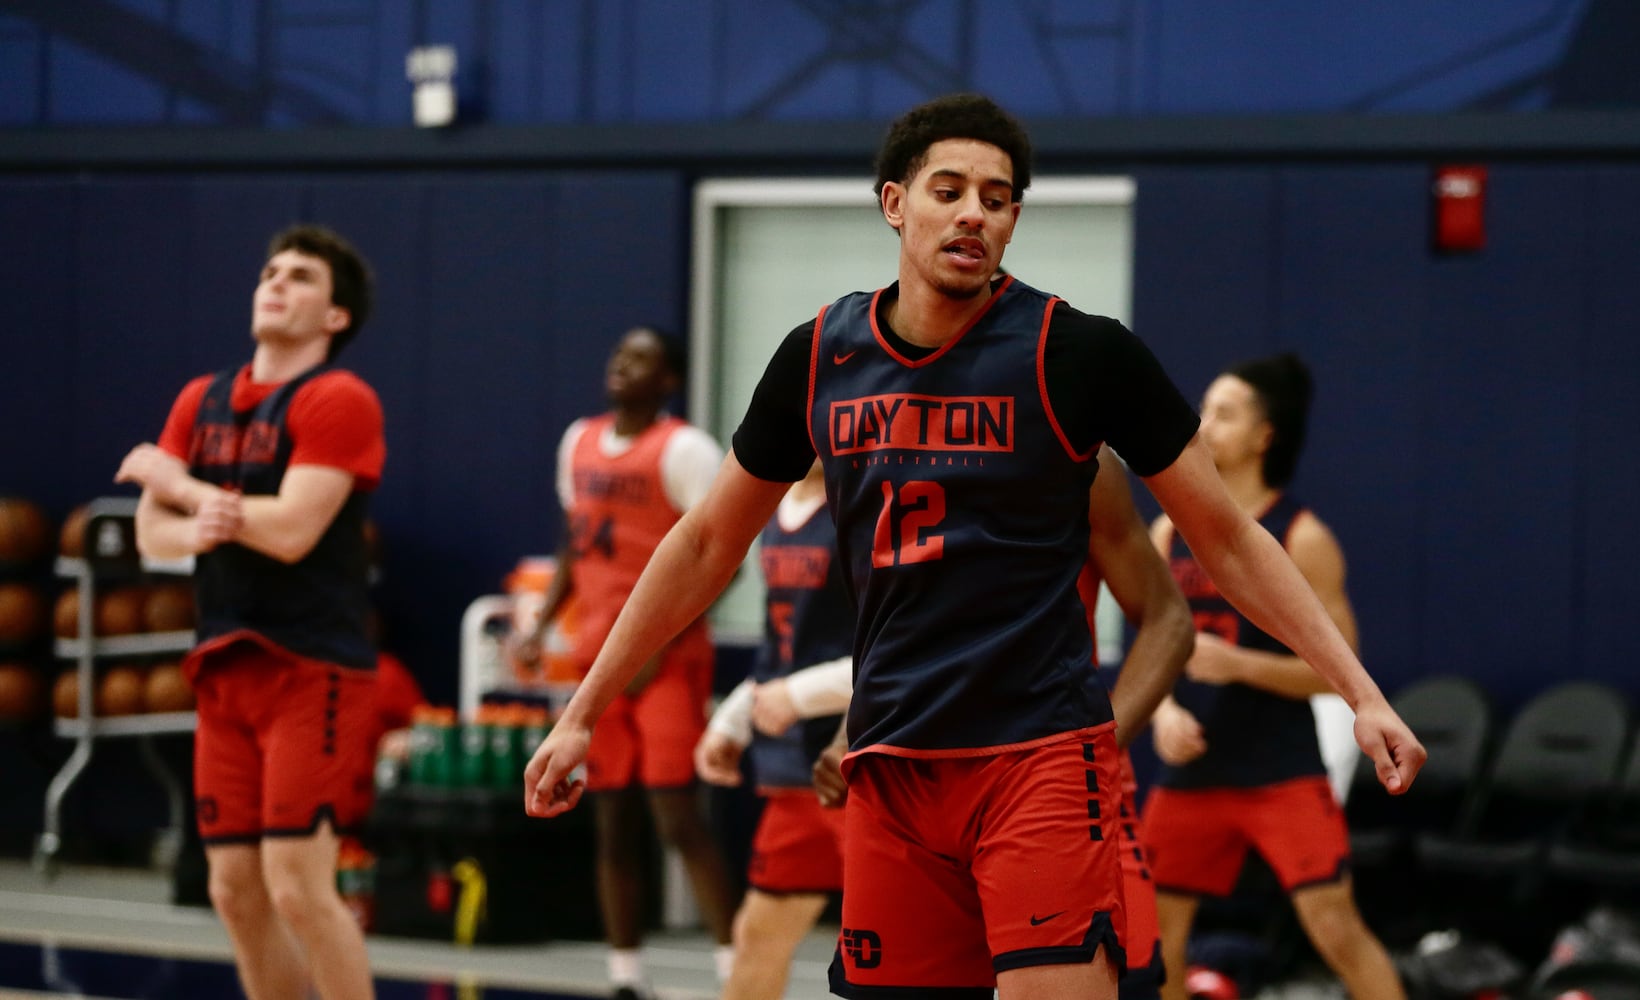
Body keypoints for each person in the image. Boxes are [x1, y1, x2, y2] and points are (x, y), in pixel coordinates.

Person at [525, 93, 1425, 1000]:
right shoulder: (820, 356)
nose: (973, 214)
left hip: (1036, 752)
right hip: (893, 761)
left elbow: (1228, 539)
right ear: (893, 203)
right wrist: (581, 713)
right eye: (948, 191)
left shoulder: (1079, 355)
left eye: (996, 199)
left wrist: (1361, 694)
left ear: (1014, 220)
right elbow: (703, 543)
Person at [810, 443, 1195, 1000]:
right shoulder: (880, 448)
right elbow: (904, 633)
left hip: (1048, 779)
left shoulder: (1073, 448)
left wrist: (1090, 745)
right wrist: (852, 729)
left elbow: (1169, 620)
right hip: (915, 784)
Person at [115, 223, 383, 1000]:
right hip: (223, 661)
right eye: (270, 270)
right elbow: (151, 533)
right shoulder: (200, 398)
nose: (276, 282)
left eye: (300, 276)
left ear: (335, 317)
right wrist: (201, 515)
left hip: (311, 665)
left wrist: (185, 486)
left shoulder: (340, 397)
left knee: (299, 887)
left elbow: (294, 531)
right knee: (233, 890)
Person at [1143, 353, 1408, 1000]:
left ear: (1265, 437)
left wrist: (1239, 665)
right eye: (1204, 409)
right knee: (1153, 937)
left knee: (1335, 930)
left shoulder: (1303, 535)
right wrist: (1162, 714)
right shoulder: (1169, 528)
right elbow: (1153, 644)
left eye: (1225, 414)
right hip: (1195, 772)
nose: (1204, 425)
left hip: (1279, 770)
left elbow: (1339, 676)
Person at [509, 325, 737, 1000]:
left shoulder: (686, 450)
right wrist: (541, 624)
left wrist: (658, 645)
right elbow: (573, 541)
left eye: (641, 358)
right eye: (618, 353)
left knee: (676, 816)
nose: (621, 364)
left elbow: (719, 556)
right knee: (610, 818)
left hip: (666, 658)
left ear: (667, 379)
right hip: (597, 659)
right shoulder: (577, 441)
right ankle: (625, 975)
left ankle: (734, 969)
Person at [694, 459, 855, 1000]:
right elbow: (779, 646)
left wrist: (798, 696)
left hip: (862, 761)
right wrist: (733, 720)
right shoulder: (773, 510)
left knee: (897, 950)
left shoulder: (868, 506)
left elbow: (903, 649)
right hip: (794, 771)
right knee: (757, 935)